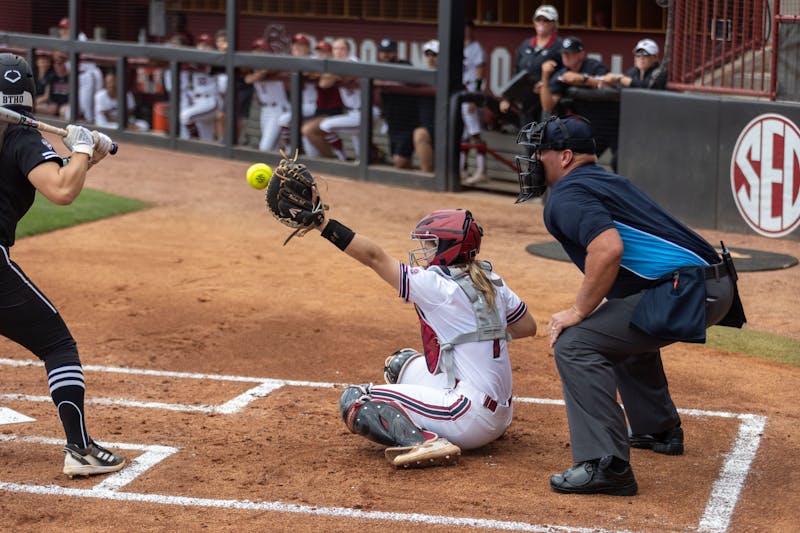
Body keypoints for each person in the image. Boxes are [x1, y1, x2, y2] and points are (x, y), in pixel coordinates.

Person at [513, 115, 745, 495]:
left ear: (566, 156)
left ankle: (606, 464)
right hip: (708, 285)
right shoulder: (603, 179)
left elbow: (608, 251)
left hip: (686, 291)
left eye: (541, 152)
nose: (534, 159)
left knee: (577, 343)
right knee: (616, 320)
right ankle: (657, 429)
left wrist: (576, 312)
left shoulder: (568, 194)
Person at [299, 205, 536, 467]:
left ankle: (426, 441)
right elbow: (527, 327)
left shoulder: (437, 287)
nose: (426, 251)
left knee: (356, 400)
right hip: (500, 416)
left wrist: (324, 224)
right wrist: (480, 332)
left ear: (448, 247)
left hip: (468, 418)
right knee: (400, 365)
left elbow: (374, 257)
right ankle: (461, 422)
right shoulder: (491, 280)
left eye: (431, 244)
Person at [0, 53, 124, 478]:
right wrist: (85, 146)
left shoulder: (21, 140)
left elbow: (64, 173)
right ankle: (80, 448)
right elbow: (62, 191)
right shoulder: (22, 138)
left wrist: (90, 154)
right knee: (57, 345)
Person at [540, 36, 619, 170]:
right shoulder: (562, 74)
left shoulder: (593, 66)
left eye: (570, 53)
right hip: (590, 127)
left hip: (612, 123)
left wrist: (582, 79)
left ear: (581, 54)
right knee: (575, 165)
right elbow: (548, 106)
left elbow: (609, 85)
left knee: (619, 162)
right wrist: (545, 77)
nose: (566, 56)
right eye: (564, 53)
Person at [302, 38, 372, 161]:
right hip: (352, 112)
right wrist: (329, 74)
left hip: (366, 111)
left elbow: (326, 82)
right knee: (362, 155)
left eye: (342, 49)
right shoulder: (335, 64)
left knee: (326, 125)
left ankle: (340, 158)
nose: (338, 52)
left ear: (349, 50)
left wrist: (326, 74)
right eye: (335, 49)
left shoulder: (353, 61)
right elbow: (324, 82)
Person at [499, 5, 563, 131]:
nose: (541, 23)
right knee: (528, 139)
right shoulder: (525, 45)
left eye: (546, 20)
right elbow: (517, 73)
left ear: (554, 23)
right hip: (527, 101)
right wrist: (508, 98)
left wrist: (548, 85)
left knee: (547, 139)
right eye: (538, 19)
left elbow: (564, 71)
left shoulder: (559, 46)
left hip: (549, 101)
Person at [374, 38, 416, 169]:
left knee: (400, 161)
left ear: (396, 52)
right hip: (392, 122)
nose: (386, 55)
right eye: (383, 52)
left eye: (389, 51)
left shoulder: (405, 65)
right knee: (398, 160)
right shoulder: (378, 68)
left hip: (409, 121)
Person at [245, 38, 291, 152]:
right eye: (256, 51)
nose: (258, 54)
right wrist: (259, 73)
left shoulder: (275, 65)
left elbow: (271, 69)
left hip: (279, 109)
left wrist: (261, 72)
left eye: (262, 51)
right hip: (265, 110)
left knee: (265, 147)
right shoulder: (253, 69)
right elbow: (248, 79)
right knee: (273, 147)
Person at [277, 34, 319, 155]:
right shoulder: (290, 60)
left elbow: (314, 73)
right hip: (298, 106)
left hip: (313, 105)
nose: (297, 47)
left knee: (284, 120)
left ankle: (291, 150)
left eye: (301, 45)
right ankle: (292, 149)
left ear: (308, 47)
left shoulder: (314, 59)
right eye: (295, 44)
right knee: (309, 145)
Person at [179, 34, 223, 142]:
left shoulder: (216, 61)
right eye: (200, 44)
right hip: (197, 101)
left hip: (211, 101)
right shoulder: (192, 60)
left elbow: (207, 67)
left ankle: (192, 142)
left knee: (185, 116)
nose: (202, 47)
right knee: (207, 139)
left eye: (206, 45)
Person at [460, 21, 489, 185]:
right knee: (463, 134)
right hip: (460, 92)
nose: (465, 32)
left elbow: (479, 73)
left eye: (467, 29)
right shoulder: (457, 46)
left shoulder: (476, 48)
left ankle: (481, 170)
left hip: (470, 93)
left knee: (474, 133)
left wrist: (474, 96)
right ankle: (462, 169)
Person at [412, 39, 439, 173]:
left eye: (434, 55)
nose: (430, 58)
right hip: (427, 123)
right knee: (420, 134)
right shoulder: (420, 75)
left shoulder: (452, 73)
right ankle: (428, 176)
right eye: (427, 55)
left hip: (446, 125)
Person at [600, 38, 667, 90]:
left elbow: (647, 86)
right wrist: (609, 83)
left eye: (645, 55)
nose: (641, 58)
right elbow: (623, 84)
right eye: (638, 54)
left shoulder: (660, 71)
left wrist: (619, 78)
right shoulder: (633, 71)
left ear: (655, 57)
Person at [38, 51, 70, 118]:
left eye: (59, 64)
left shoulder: (70, 78)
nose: (56, 66)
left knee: (63, 110)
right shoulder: (52, 77)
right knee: (41, 107)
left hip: (65, 104)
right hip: (53, 104)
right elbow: (48, 95)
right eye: (55, 64)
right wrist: (52, 103)